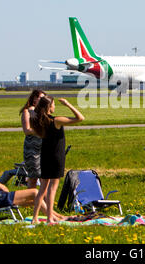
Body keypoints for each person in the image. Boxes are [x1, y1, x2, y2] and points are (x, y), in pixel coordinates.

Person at [30, 96, 84, 224]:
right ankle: (49, 217)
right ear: (49, 107)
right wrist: (68, 104)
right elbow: (80, 118)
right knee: (52, 188)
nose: (55, 107)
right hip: (56, 156)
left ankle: (35, 217)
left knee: (43, 188)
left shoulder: (38, 121)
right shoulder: (56, 120)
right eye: (53, 104)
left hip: (45, 155)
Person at [0, 153, 64, 220]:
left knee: (34, 201)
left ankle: (57, 216)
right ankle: (54, 217)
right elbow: (2, 187)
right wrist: (6, 191)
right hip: (0, 199)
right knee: (34, 192)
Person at [0, 89, 46, 186]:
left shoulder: (42, 112)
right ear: (34, 99)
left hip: (43, 147)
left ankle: (42, 199)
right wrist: (43, 130)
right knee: (34, 177)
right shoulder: (27, 111)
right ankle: (32, 198)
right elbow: (27, 130)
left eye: (44, 98)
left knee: (44, 178)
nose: (42, 100)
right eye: (40, 98)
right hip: (32, 148)